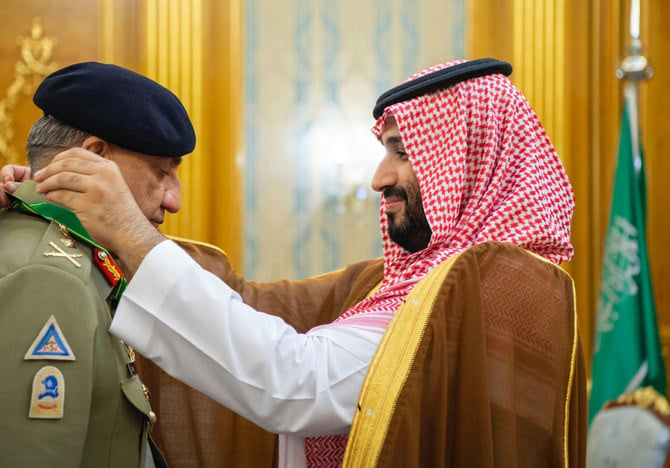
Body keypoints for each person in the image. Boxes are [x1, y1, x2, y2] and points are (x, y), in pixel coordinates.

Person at [16, 58, 587, 466]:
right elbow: (262, 307)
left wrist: (132, 236)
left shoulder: (487, 296)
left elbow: (299, 380)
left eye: (402, 152)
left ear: (475, 164)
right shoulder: (400, 284)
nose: (378, 178)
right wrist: (60, 211)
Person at [0, 61, 196, 467]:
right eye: (160, 174)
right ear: (93, 158)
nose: (173, 200)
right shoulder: (48, 276)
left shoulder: (76, 252)